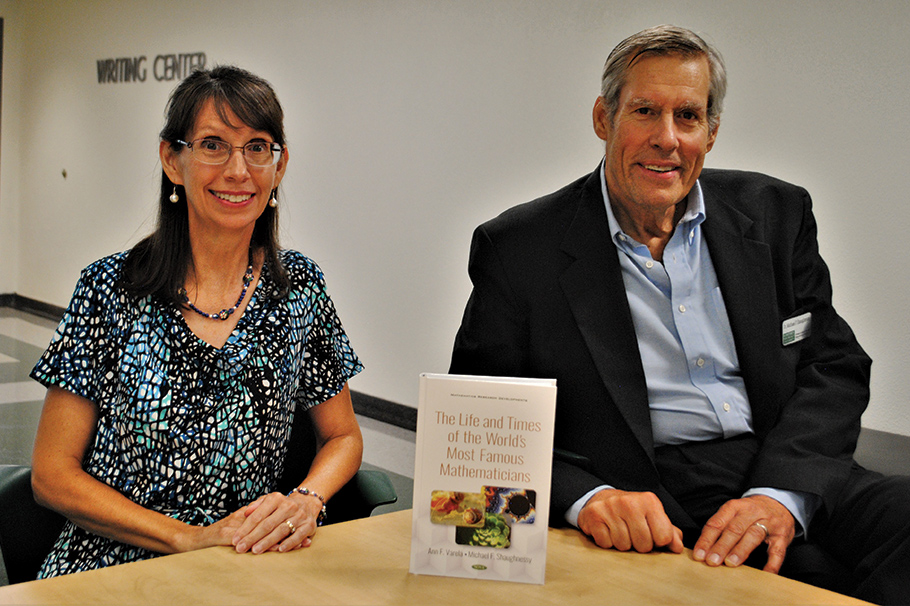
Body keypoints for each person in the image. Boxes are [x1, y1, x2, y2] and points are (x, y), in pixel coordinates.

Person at [450, 25, 910, 604]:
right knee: (809, 582)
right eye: (645, 111)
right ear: (603, 118)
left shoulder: (776, 214)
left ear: (711, 132)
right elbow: (477, 424)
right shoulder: (520, 247)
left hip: (780, 461)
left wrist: (780, 494)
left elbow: (832, 364)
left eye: (687, 117)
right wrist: (587, 498)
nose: (667, 139)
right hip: (649, 489)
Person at [29, 65, 364, 577]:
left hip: (244, 563)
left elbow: (343, 436)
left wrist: (305, 500)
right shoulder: (109, 289)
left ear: (280, 166)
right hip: (112, 567)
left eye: (258, 147)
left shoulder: (299, 287)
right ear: (171, 158)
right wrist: (187, 538)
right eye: (213, 145)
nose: (238, 170)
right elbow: (51, 475)